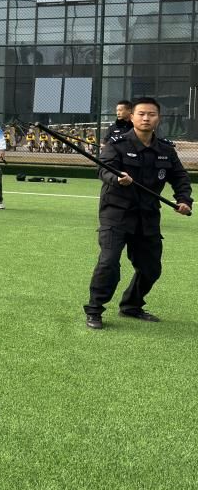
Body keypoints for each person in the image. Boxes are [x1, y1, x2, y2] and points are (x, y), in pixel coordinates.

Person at [84, 96, 192, 330]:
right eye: (141, 114)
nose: (146, 118)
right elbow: (103, 170)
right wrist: (117, 178)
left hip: (148, 215)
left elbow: (180, 177)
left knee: (151, 268)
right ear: (132, 117)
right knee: (108, 262)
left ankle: (131, 305)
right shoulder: (117, 144)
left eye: (151, 114)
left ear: (158, 118)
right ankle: (94, 309)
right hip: (116, 213)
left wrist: (184, 199)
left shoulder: (166, 149)